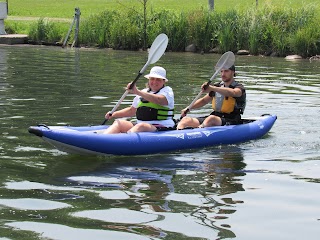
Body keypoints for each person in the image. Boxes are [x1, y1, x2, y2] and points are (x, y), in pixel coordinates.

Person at [102, 66, 175, 134]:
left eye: (158, 79)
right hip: (139, 125)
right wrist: (113, 114)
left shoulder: (167, 91)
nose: (154, 82)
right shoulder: (143, 92)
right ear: (149, 80)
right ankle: (103, 140)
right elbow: (131, 111)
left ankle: (125, 142)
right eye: (152, 79)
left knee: (141, 126)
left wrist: (137, 92)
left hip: (162, 127)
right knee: (119, 122)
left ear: (164, 81)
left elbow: (160, 100)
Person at [177, 65, 246, 129]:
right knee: (186, 120)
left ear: (233, 72)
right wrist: (188, 108)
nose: (223, 74)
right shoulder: (218, 86)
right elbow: (204, 101)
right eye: (221, 71)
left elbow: (233, 92)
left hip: (231, 119)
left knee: (211, 119)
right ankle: (178, 134)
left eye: (226, 71)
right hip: (215, 117)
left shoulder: (239, 87)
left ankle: (198, 131)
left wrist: (213, 88)